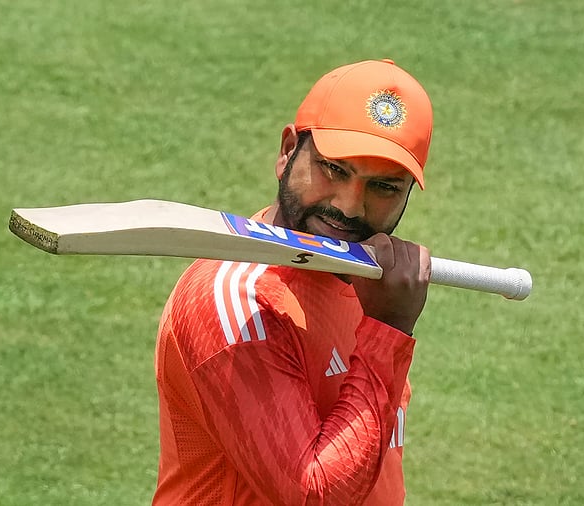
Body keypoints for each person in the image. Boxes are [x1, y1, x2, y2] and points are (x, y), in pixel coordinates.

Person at [153, 59, 434, 505]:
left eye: (384, 187)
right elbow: (314, 495)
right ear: (288, 151)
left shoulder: (368, 285)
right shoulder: (235, 303)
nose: (350, 208)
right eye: (334, 170)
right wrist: (389, 333)